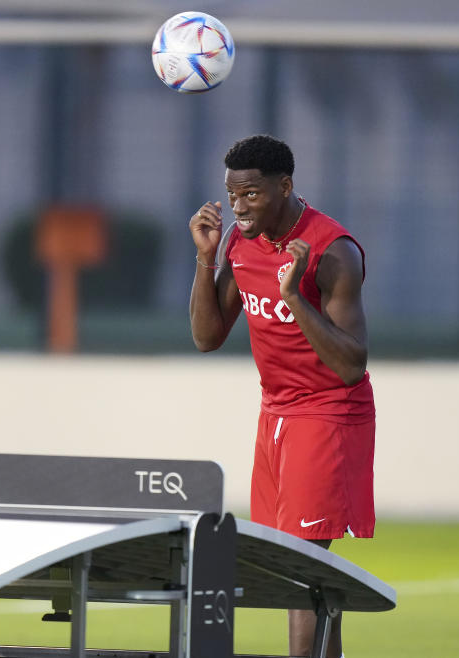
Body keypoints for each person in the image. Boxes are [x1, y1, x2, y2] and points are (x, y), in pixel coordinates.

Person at [189, 134, 375, 658]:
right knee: (293, 572)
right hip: (274, 415)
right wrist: (206, 260)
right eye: (232, 195)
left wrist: (294, 296)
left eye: (250, 194)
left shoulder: (332, 251)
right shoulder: (238, 244)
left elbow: (351, 364)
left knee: (299, 570)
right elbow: (207, 337)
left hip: (328, 415)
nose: (239, 208)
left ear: (285, 185)